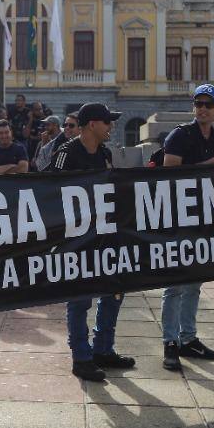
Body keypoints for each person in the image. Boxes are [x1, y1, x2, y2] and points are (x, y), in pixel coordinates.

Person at [51, 102, 135, 382]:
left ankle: (103, 349)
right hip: (76, 239)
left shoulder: (104, 153)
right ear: (91, 125)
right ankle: (81, 356)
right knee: (80, 299)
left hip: (105, 235)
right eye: (106, 122)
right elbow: (51, 188)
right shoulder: (66, 152)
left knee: (113, 291)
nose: (111, 127)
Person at [160, 85, 214, 371]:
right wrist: (209, 163)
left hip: (203, 217)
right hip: (178, 217)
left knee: (195, 282)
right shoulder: (180, 135)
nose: (202, 108)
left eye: (208, 104)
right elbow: (170, 174)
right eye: (198, 103)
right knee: (175, 283)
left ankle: (188, 338)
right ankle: (170, 342)